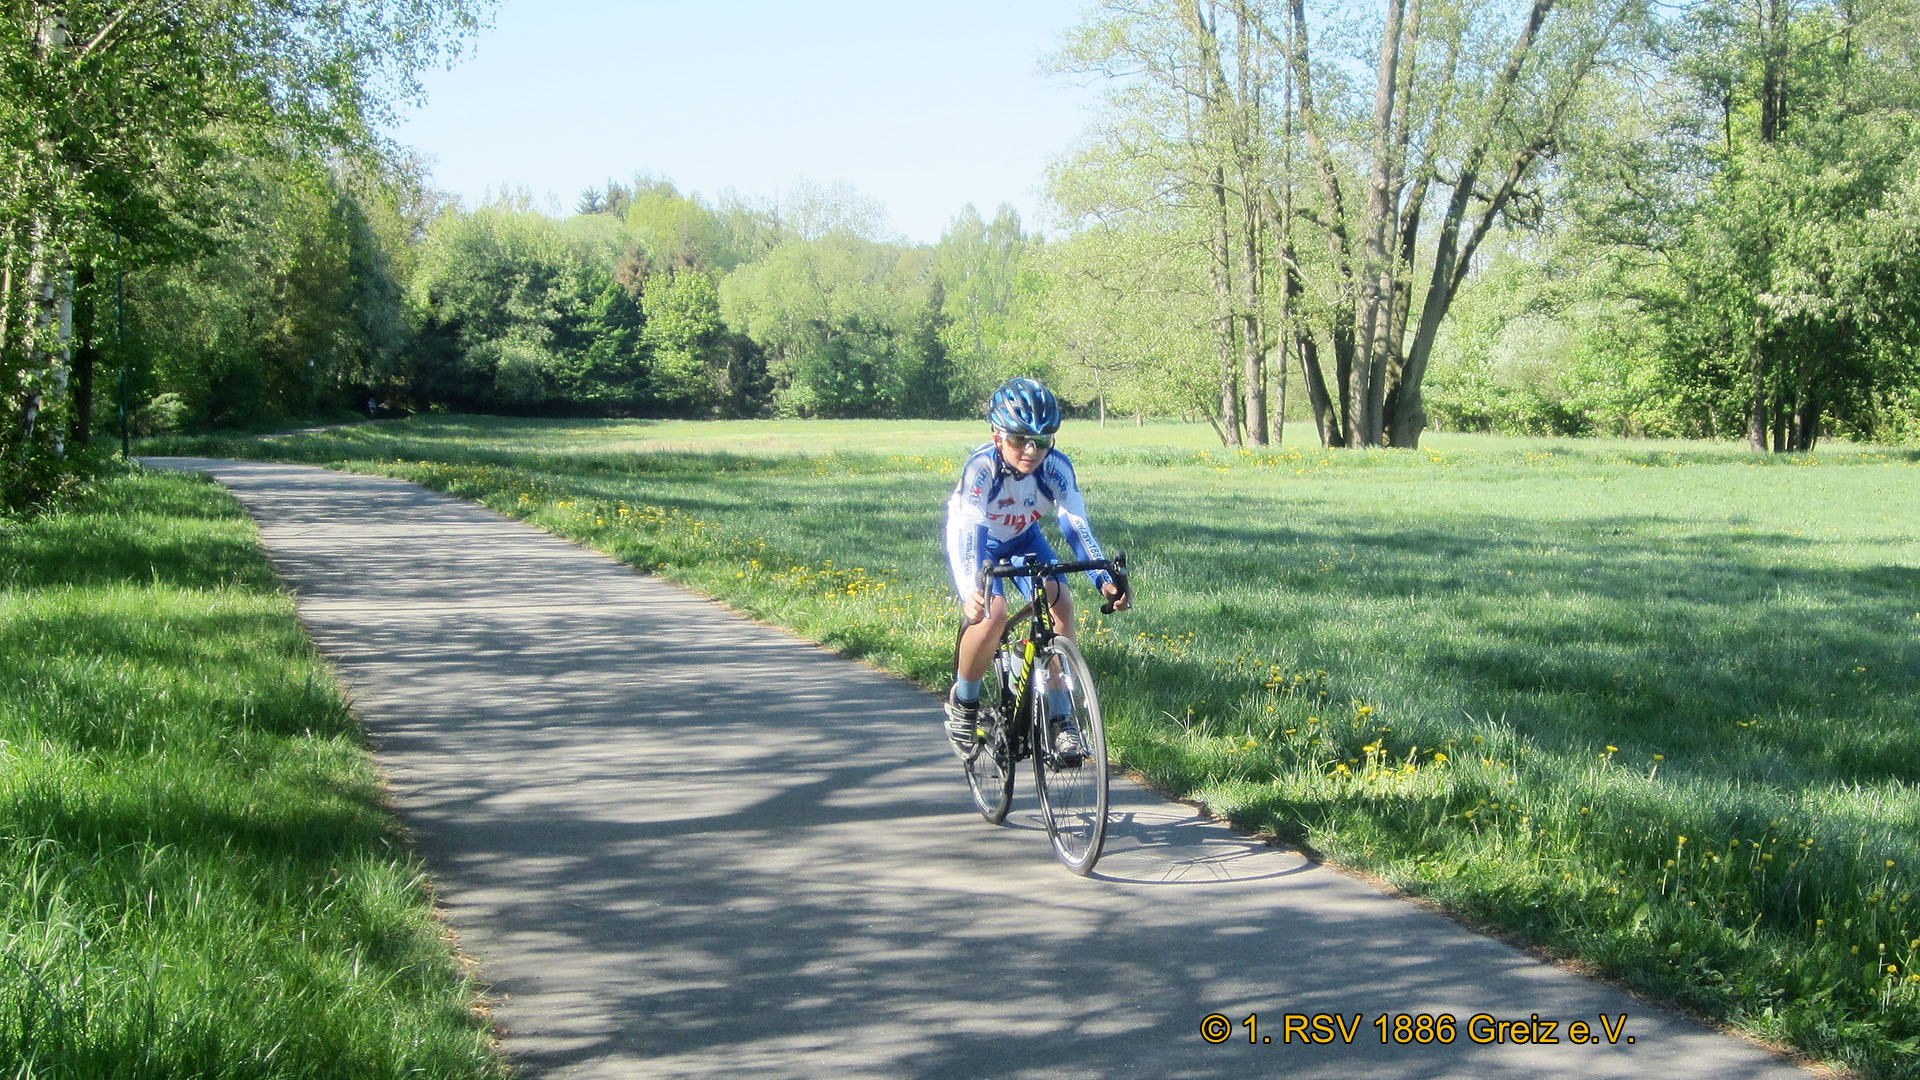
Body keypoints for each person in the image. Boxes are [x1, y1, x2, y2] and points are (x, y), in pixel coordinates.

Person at [943, 377, 1129, 760]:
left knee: (1059, 601)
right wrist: (970, 590)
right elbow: (970, 531)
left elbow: (1075, 524)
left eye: (1042, 441)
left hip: (1024, 537)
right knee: (992, 617)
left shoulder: (1056, 468)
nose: (1031, 450)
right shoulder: (982, 468)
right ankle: (964, 701)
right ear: (998, 436)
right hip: (978, 541)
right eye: (1018, 440)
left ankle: (1061, 718)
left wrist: (1103, 579)